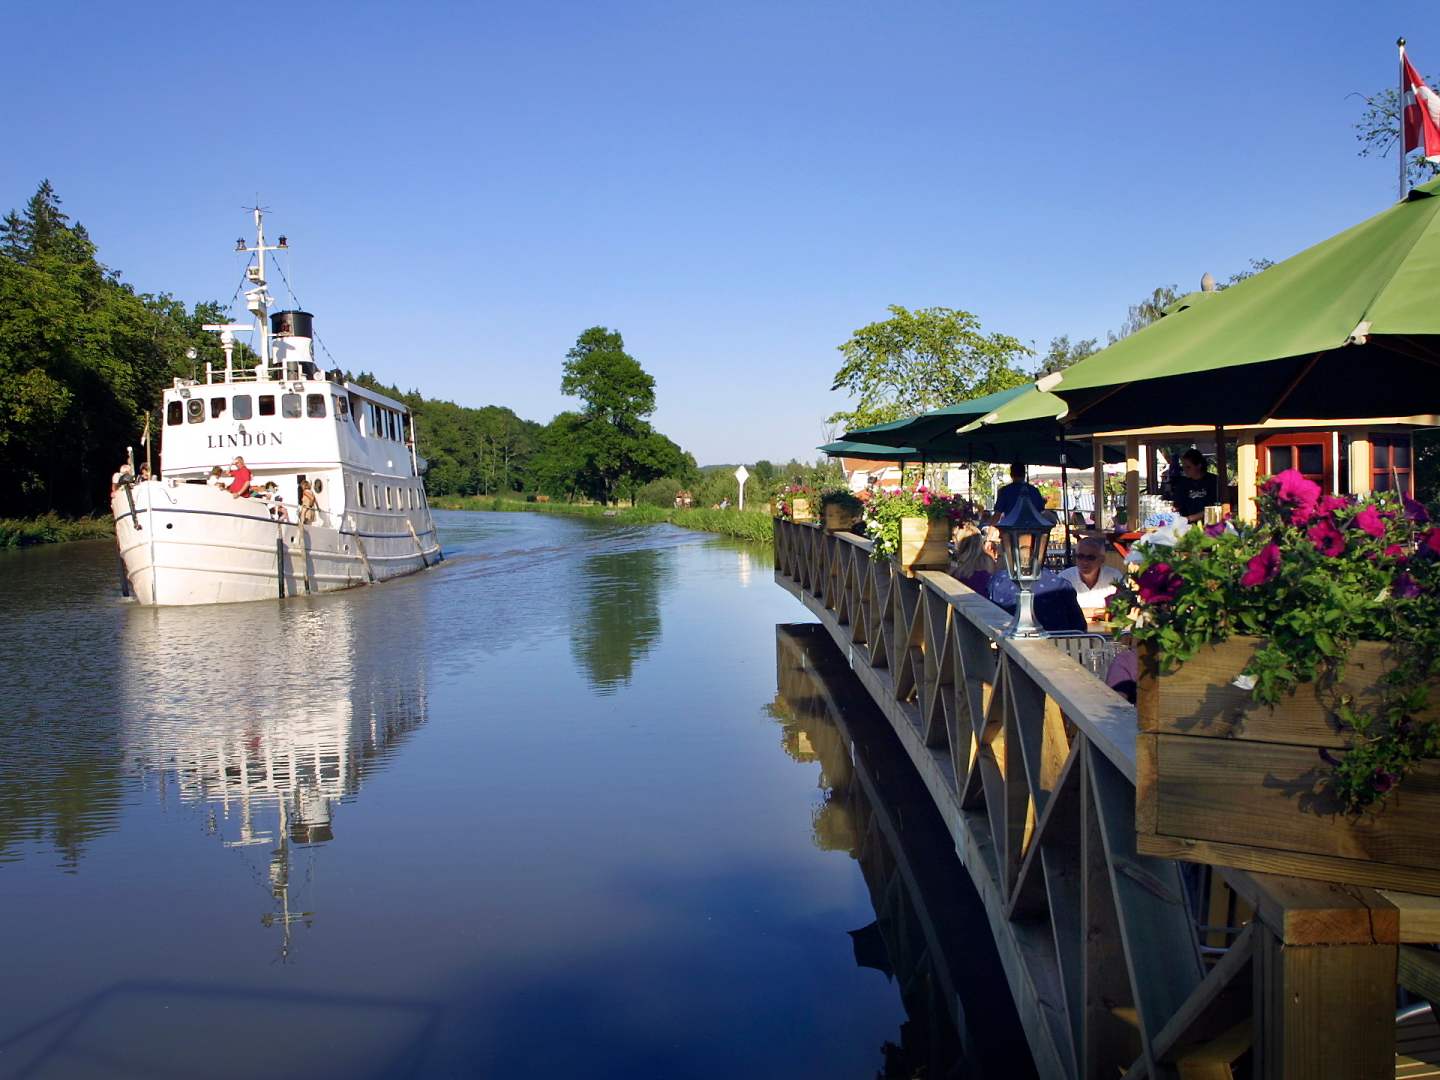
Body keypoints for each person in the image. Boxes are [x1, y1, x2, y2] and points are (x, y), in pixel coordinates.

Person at [1059, 536, 1126, 620]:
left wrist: (1081, 612)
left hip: (1105, 632)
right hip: (1075, 632)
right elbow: (1059, 611)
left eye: (1090, 557)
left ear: (1102, 560)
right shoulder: (1064, 578)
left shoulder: (1114, 577)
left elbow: (1122, 609)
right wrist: (1097, 612)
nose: (1084, 561)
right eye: (1080, 556)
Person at [1170, 448, 1219, 523]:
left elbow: (1215, 508)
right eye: (1183, 467)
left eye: (1188, 467)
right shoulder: (1182, 483)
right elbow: (1177, 505)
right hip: (1186, 526)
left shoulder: (1213, 481)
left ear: (1199, 466)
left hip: (1210, 525)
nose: (1185, 470)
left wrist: (1190, 518)